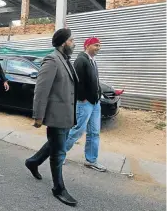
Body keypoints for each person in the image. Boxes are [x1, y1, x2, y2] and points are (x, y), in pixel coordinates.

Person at [24, 28, 79, 207]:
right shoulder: (52, 60)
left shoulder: (66, 60)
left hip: (66, 114)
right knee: (58, 151)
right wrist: (38, 116)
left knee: (55, 143)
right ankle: (58, 188)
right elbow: (41, 90)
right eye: (71, 40)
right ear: (63, 43)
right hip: (56, 115)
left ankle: (33, 162)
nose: (74, 43)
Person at [65, 37, 106, 172]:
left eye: (99, 45)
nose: (98, 48)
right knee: (78, 130)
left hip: (95, 103)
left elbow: (94, 81)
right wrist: (82, 98)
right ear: (87, 45)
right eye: (96, 45)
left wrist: (99, 94)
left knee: (94, 132)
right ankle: (60, 153)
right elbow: (76, 82)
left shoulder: (92, 61)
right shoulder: (81, 60)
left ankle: (91, 160)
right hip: (85, 103)